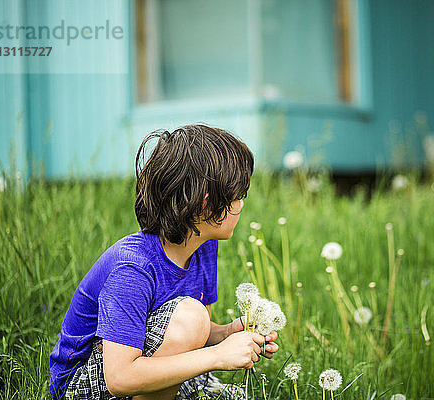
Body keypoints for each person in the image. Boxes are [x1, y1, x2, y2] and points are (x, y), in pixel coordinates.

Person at [49, 125, 279, 400]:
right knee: (192, 317)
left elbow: (191, 334)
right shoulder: (133, 268)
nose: (241, 204)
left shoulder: (204, 246)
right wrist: (217, 356)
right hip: (86, 382)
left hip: (143, 368)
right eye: (237, 196)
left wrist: (229, 333)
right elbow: (119, 378)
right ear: (206, 206)